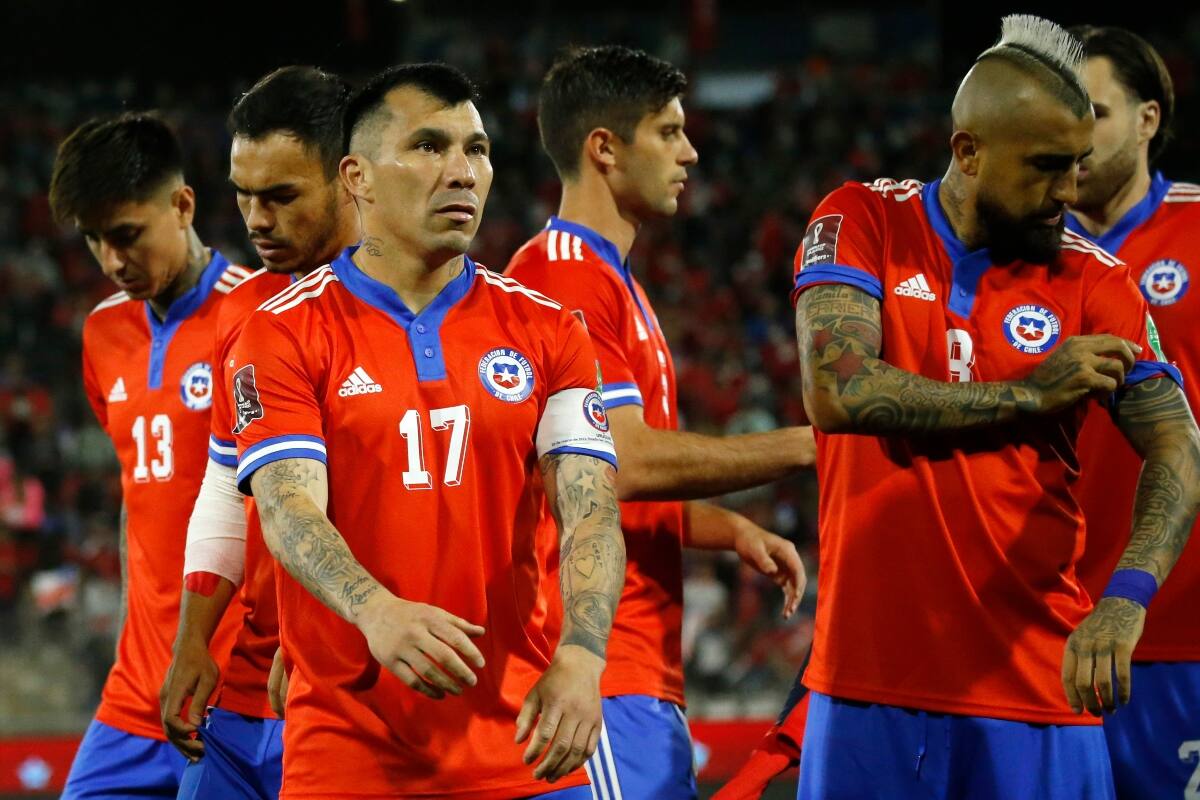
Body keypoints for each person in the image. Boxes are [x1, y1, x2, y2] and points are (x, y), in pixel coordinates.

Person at [789, 15, 1199, 799]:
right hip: (866, 684)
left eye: (1076, 165)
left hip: (1036, 688)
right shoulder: (863, 219)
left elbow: (1178, 446)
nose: (1067, 193)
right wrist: (1030, 394)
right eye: (1045, 167)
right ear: (968, 152)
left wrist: (1127, 596)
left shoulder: (1095, 280)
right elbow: (838, 388)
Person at [232, 63, 625, 798]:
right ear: (357, 177)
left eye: (476, 149)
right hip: (349, 755)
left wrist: (583, 655)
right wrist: (374, 610)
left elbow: (592, 510)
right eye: (428, 146)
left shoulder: (550, 330)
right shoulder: (281, 333)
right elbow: (288, 508)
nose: (462, 172)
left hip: (527, 747)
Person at [505, 45, 813, 799]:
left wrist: (727, 529)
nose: (690, 152)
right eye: (669, 132)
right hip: (595, 668)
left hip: (634, 670)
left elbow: (600, 477)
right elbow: (624, 462)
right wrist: (813, 444)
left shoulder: (605, 277)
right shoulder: (563, 277)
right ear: (604, 149)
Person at [157, 65, 359, 800]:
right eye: (244, 196)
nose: (256, 220)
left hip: (357, 688)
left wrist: (330, 635)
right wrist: (192, 639)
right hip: (247, 688)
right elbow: (224, 485)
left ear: (351, 178)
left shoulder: (415, 312)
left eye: (280, 196)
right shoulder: (247, 314)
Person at [50, 112, 249, 799]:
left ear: (182, 205)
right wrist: (128, 642)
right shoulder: (102, 333)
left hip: (234, 691)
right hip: (135, 691)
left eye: (127, 235)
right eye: (94, 240)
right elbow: (140, 499)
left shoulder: (258, 316)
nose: (111, 262)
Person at [1067, 25, 1200, 799]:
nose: (1073, 136)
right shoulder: (1015, 254)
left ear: (1148, 119)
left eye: (1094, 113)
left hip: (1181, 637)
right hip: (1047, 638)